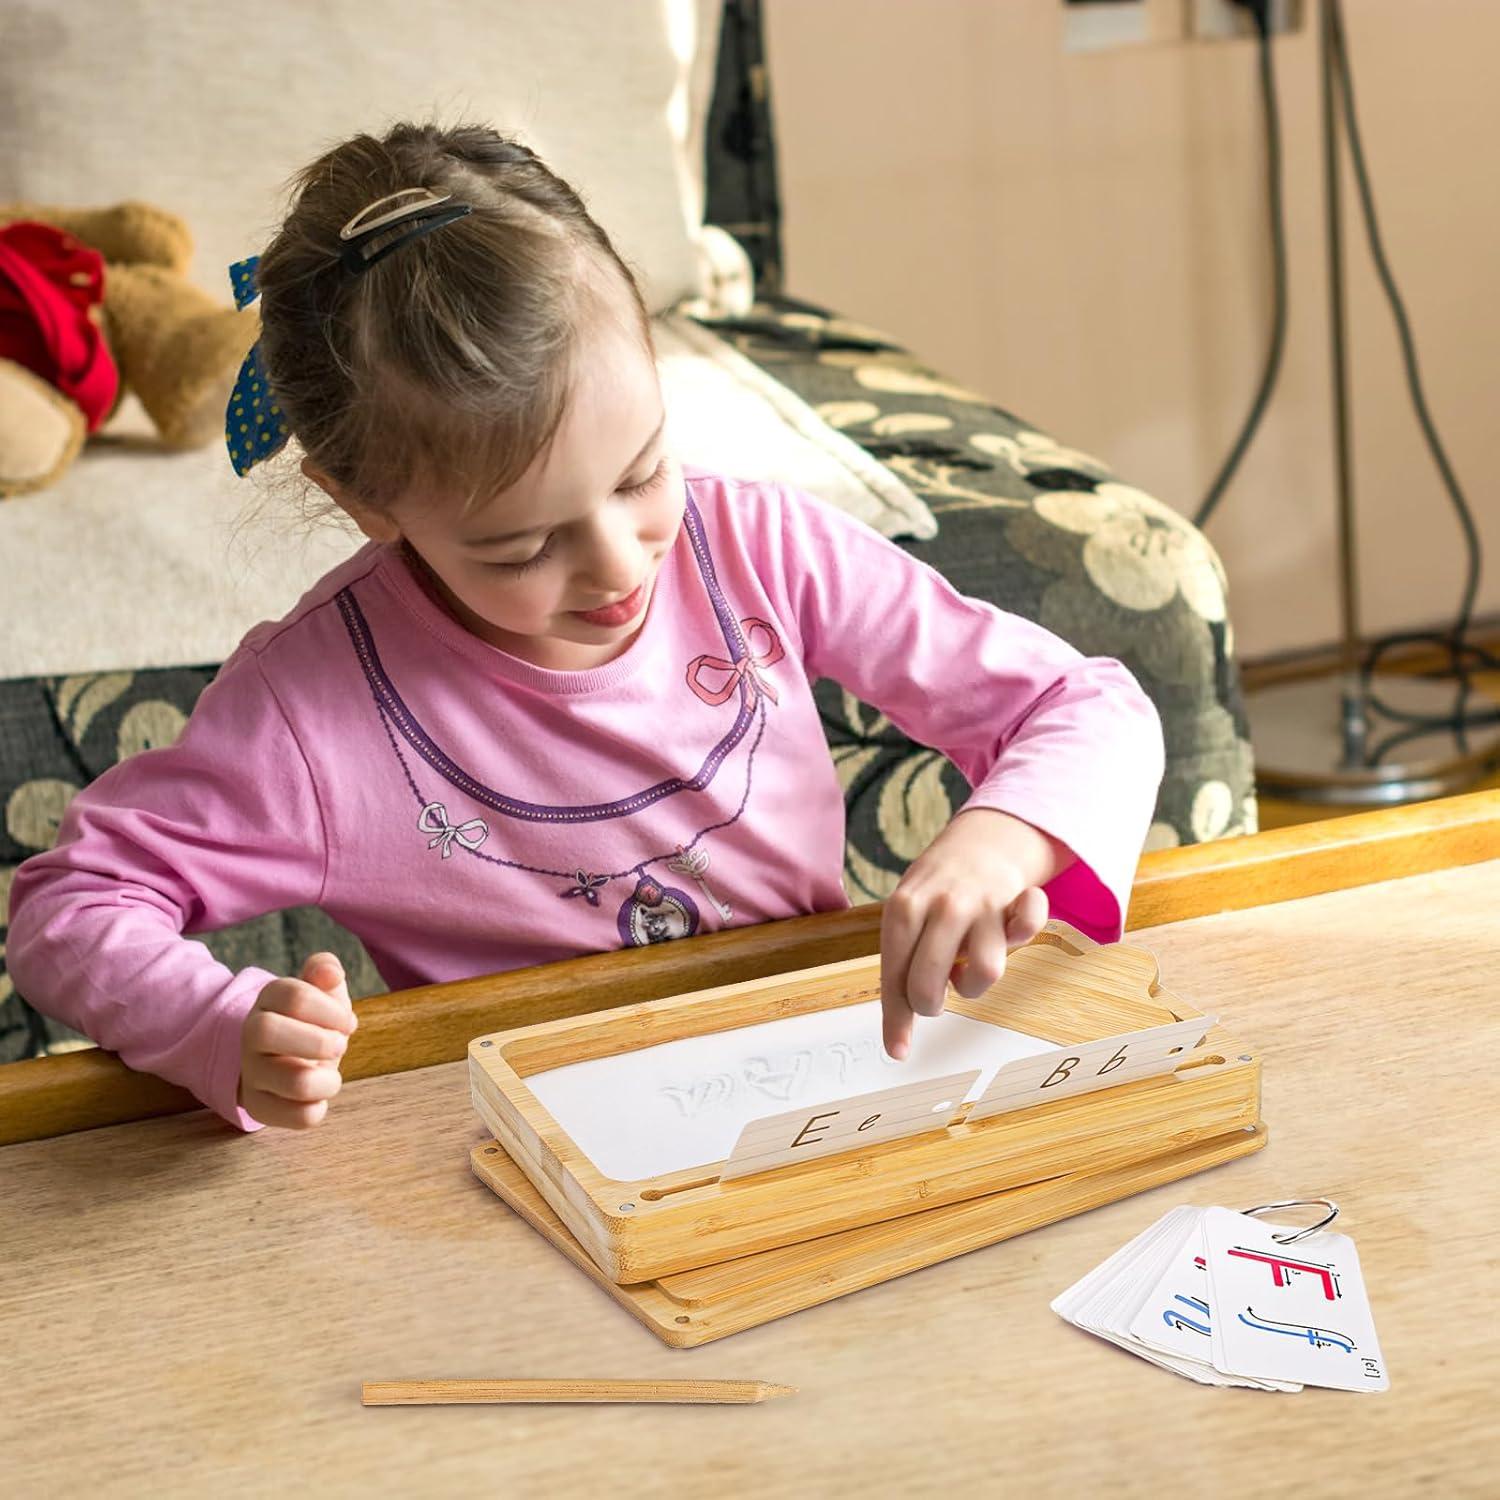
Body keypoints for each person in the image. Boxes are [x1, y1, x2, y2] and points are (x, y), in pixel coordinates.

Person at [6, 121, 1164, 1134]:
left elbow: (1085, 706)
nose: (619, 564)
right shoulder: (312, 713)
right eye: (520, 546)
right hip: (521, 1142)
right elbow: (67, 907)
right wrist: (221, 1028)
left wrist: (999, 842)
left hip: (824, 1079)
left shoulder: (759, 544)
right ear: (369, 507)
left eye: (644, 471)